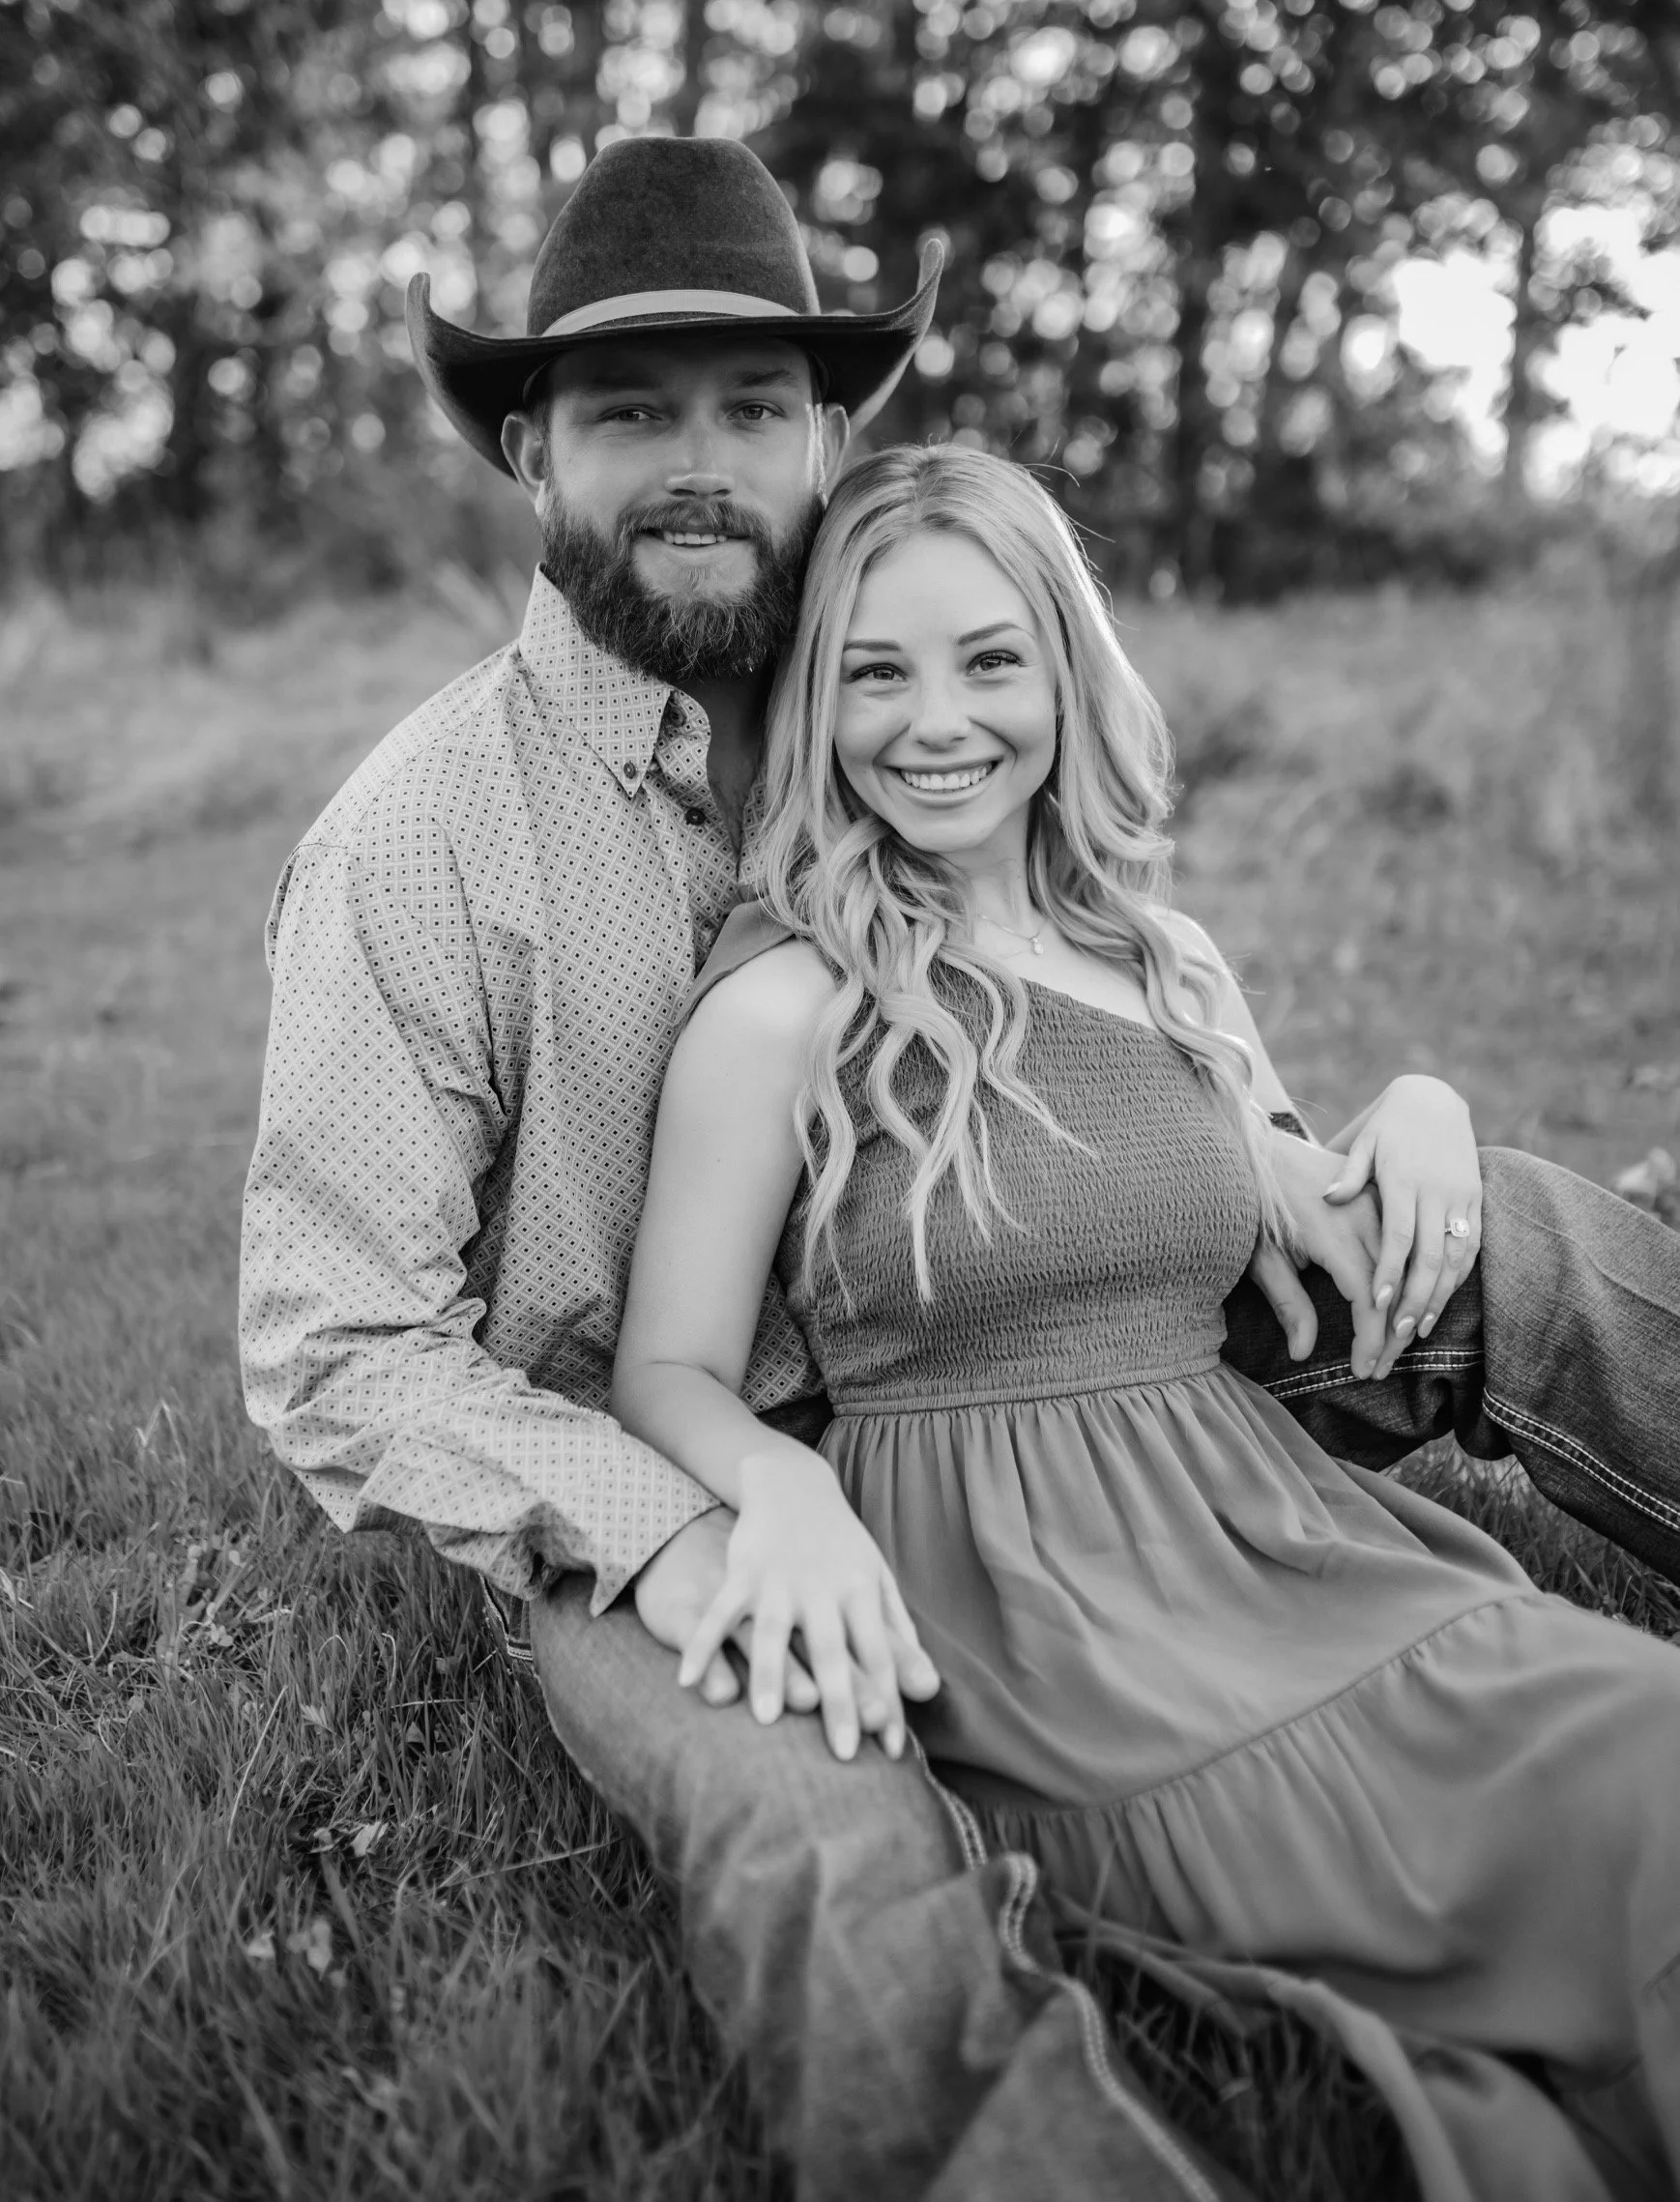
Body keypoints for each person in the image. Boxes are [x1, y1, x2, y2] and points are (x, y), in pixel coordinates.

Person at [241, 135, 1680, 2202]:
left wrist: (1327, 1138)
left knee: (1492, 1236)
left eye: (752, 407)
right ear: (527, 453)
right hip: (666, 1457)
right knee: (819, 1823)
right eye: (632, 411)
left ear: (827, 435)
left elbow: (1096, 1044)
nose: (698, 462)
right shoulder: (425, 836)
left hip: (1034, 1358)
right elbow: (339, 1341)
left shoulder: (897, 711)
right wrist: (685, 1523)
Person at [611, 442, 1680, 2202]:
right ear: (815, 704)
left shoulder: (1159, 958)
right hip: (1050, 1637)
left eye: (986, 660)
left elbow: (1278, 1189)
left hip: (1280, 1544)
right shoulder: (788, 999)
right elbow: (667, 1365)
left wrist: (1414, 1103)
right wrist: (779, 1491)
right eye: (873, 670)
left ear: (1062, 672)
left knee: (1645, 1726)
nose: (933, 720)